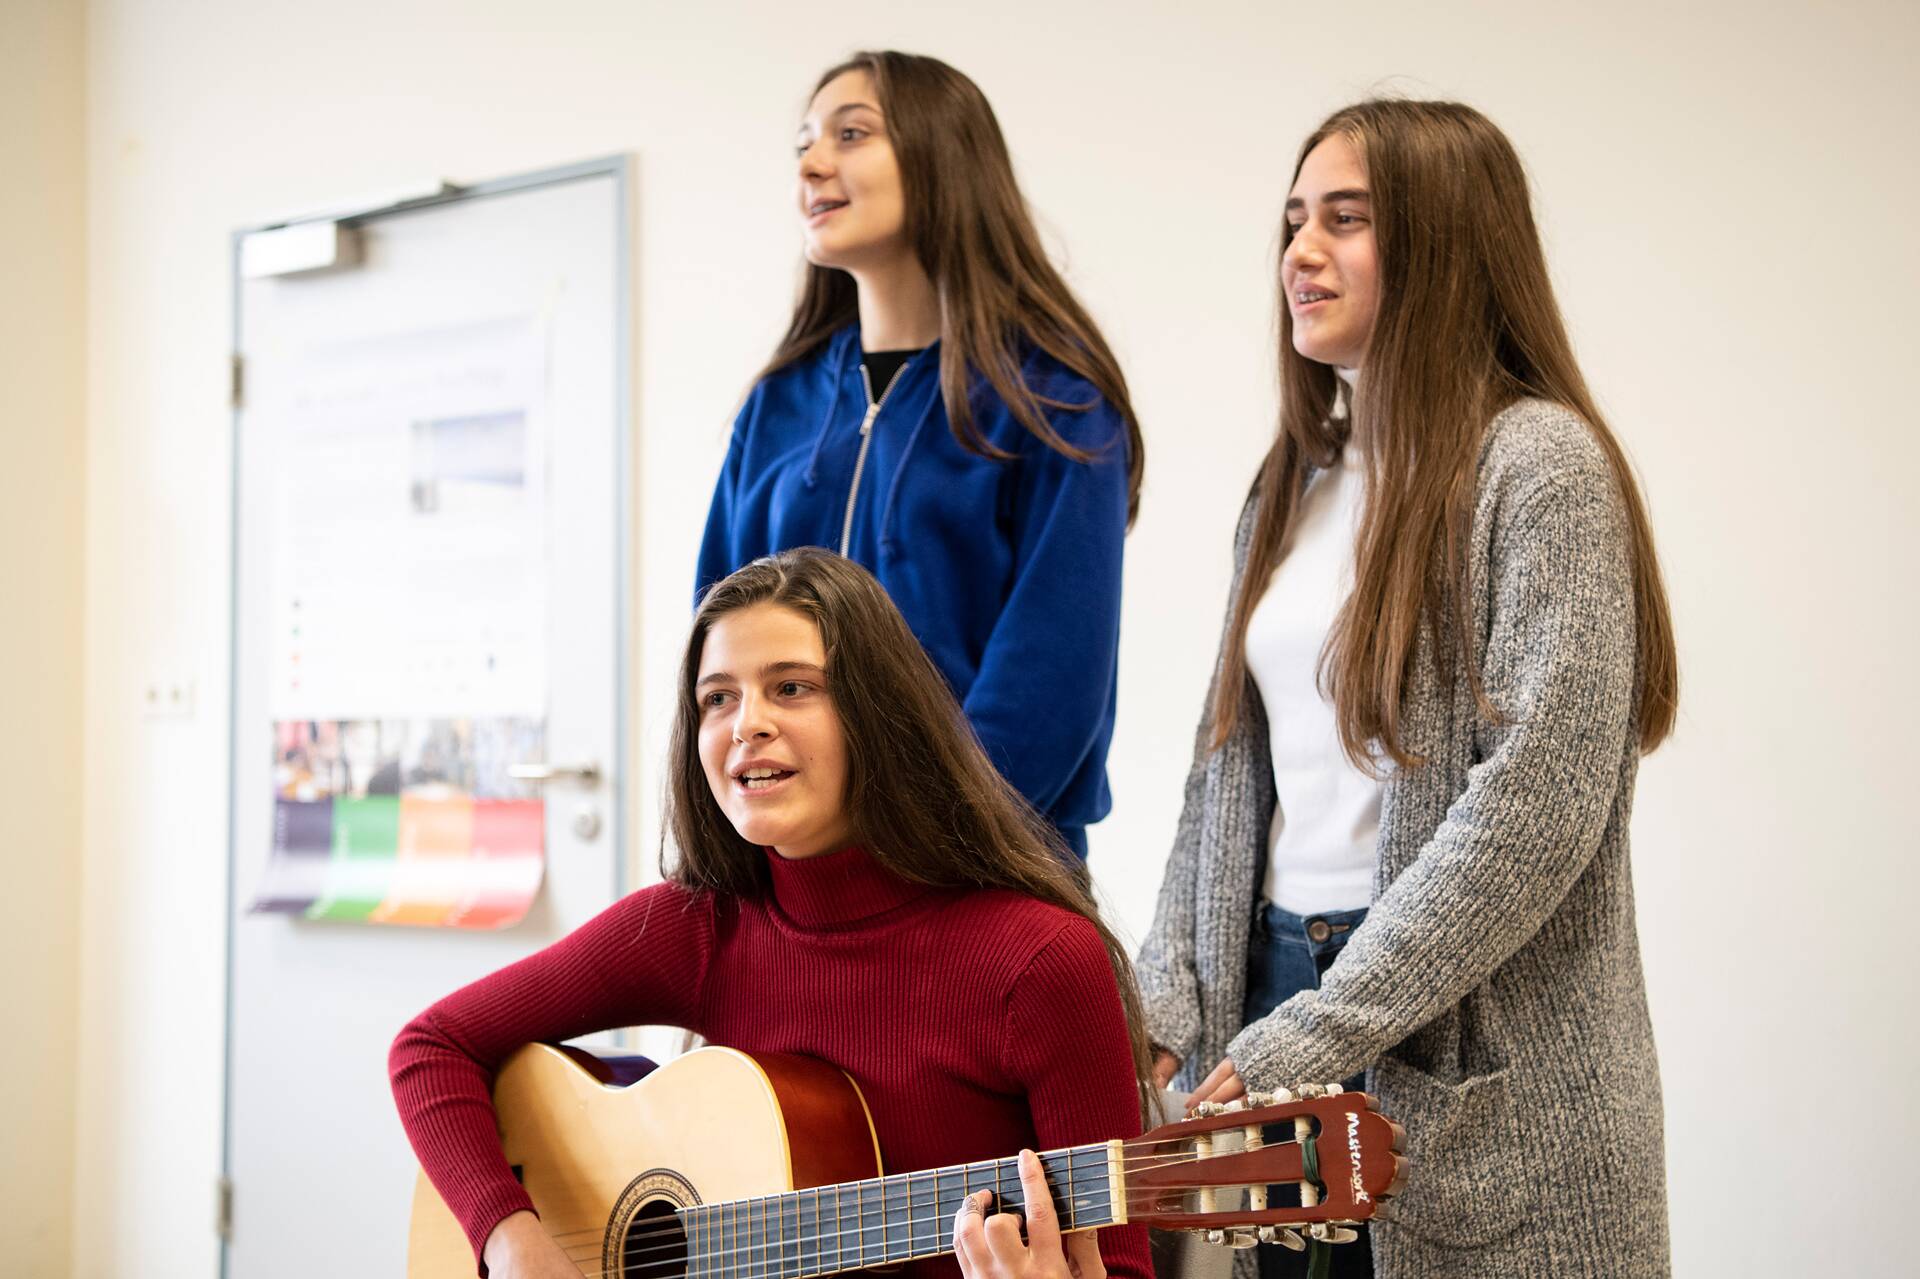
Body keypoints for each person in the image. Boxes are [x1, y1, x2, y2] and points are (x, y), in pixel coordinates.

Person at [1134, 100, 1679, 1279]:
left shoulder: (1539, 467)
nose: (1299, 252)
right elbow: (1223, 774)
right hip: (1274, 986)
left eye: (1346, 219)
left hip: (1467, 1041)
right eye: (1292, 221)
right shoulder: (1289, 485)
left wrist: (1325, 1025)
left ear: (1444, 244)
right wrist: (1166, 1000)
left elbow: (1535, 812)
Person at [390, 548, 1153, 1279]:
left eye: (791, 686)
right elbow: (431, 1047)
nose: (745, 722)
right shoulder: (694, 929)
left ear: (877, 715)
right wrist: (510, 1238)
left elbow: (1120, 1264)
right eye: (717, 696)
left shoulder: (1040, 960)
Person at [696, 50, 1143, 861]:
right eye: (804, 143)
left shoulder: (1053, 403)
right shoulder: (777, 407)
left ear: (942, 158)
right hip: (791, 881)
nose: (813, 162)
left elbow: (1051, 682)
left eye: (851, 133)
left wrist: (910, 847)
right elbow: (717, 656)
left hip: (983, 871)